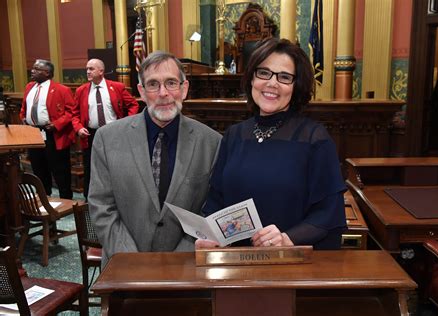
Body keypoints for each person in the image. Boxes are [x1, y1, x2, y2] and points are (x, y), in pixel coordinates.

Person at [198, 38, 346, 250]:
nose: (272, 83)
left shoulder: (314, 139)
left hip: (288, 265)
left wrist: (287, 238)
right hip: (235, 262)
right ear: (251, 79)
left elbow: (328, 213)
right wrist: (208, 235)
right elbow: (216, 200)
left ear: (296, 86)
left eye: (284, 77)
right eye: (264, 73)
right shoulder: (234, 136)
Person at [88, 51, 222, 266]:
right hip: (123, 266)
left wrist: (179, 259)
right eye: (153, 84)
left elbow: (210, 209)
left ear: (184, 89)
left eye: (171, 83)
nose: (163, 93)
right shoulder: (107, 138)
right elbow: (101, 206)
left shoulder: (212, 142)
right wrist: (131, 260)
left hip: (187, 269)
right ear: (141, 91)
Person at [71, 58, 139, 199]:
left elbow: (133, 104)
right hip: (91, 134)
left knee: (116, 165)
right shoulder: (81, 90)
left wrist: (126, 123)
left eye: (91, 69)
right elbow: (74, 114)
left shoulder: (117, 87)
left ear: (101, 71)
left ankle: (119, 196)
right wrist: (78, 128)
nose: (87, 72)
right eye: (87, 69)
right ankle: (89, 199)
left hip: (115, 133)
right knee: (90, 167)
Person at [19, 59, 75, 199]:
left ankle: (66, 199)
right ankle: (44, 196)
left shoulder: (62, 89)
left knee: (59, 170)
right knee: (39, 167)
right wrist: (23, 117)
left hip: (53, 135)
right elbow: (24, 107)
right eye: (33, 68)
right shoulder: (29, 87)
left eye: (37, 69)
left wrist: (56, 124)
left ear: (47, 73)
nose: (32, 71)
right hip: (33, 134)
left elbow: (71, 112)